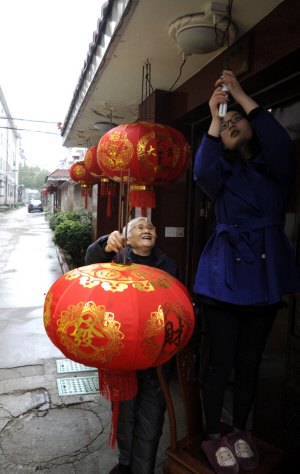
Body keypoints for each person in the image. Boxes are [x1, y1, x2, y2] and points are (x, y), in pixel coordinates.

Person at [193, 70, 300, 474]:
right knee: (220, 364)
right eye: (227, 122)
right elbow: (202, 170)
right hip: (224, 276)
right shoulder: (220, 178)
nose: (233, 124)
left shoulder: (277, 174)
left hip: (265, 275)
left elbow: (277, 142)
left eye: (239, 120)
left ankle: (240, 432)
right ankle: (212, 436)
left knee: (249, 364)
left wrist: (238, 94)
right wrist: (213, 115)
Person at [85, 216, 179, 474]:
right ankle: (126, 464)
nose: (146, 230)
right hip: (122, 357)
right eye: (139, 227)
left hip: (157, 357)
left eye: (150, 227)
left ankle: (143, 469)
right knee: (124, 415)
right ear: (126, 237)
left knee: (152, 418)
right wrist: (106, 243)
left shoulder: (168, 265)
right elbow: (90, 263)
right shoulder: (115, 260)